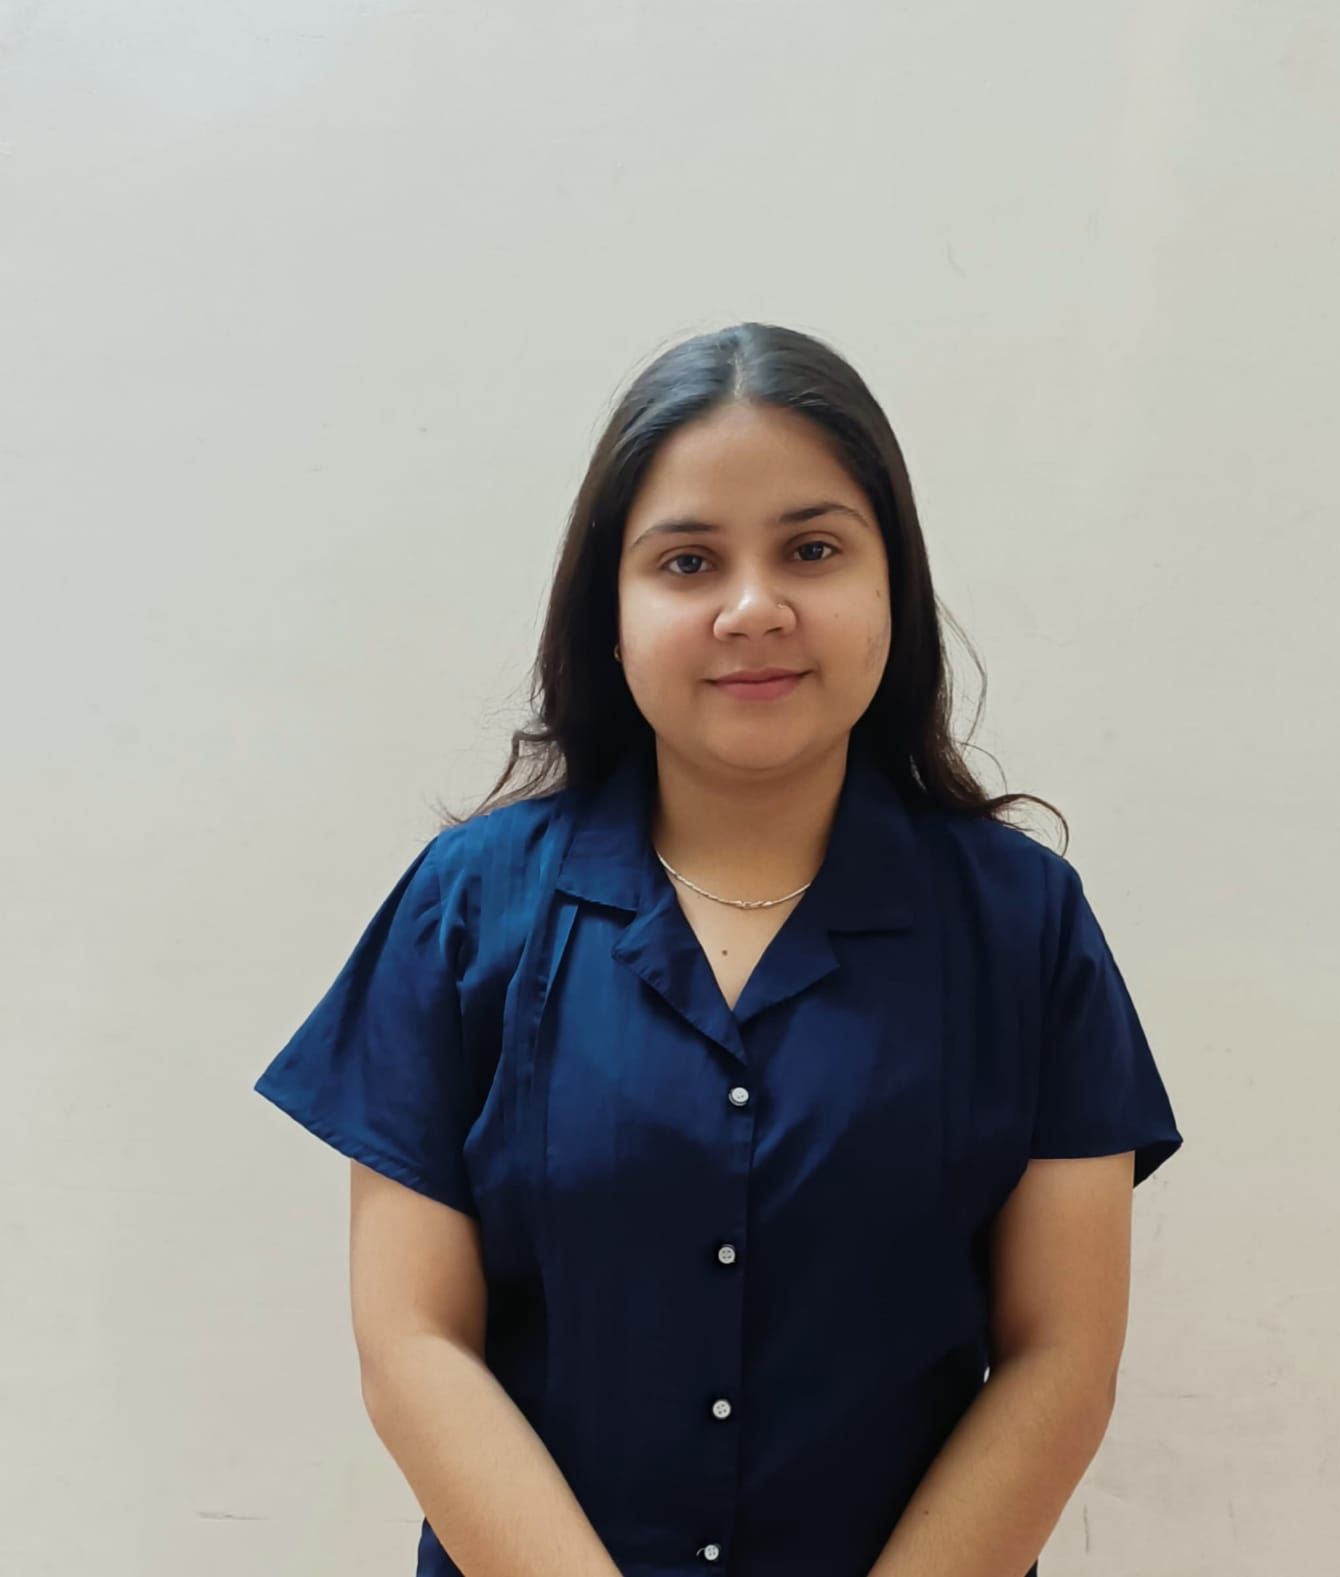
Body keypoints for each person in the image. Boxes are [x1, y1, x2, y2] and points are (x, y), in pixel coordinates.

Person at [252, 321, 1184, 1577]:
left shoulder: (1024, 928)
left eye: (811, 548)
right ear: (614, 608)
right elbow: (411, 1339)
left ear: (891, 584)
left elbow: (1058, 1358)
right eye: (688, 561)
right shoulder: (465, 910)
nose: (754, 607)